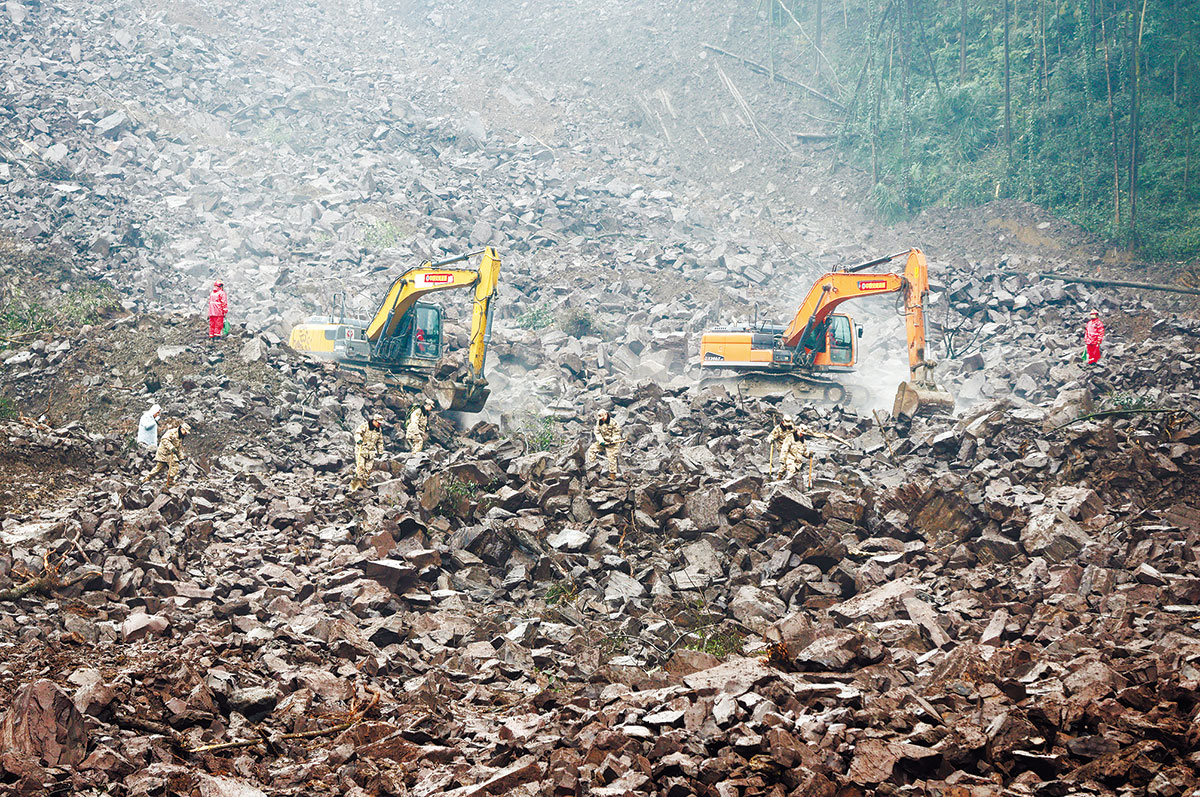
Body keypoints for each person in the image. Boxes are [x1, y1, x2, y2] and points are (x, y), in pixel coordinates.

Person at [142, 422, 190, 489]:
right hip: (164, 453)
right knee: (162, 467)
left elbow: (179, 448)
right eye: (185, 432)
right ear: (182, 429)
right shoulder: (172, 432)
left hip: (170, 454)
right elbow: (164, 440)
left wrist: (181, 458)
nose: (186, 434)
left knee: (168, 467)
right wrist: (171, 447)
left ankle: (169, 481)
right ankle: (147, 479)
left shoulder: (180, 437)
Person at [585, 409, 623, 479]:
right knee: (592, 449)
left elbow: (617, 433)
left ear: (606, 415)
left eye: (602, 417)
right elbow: (597, 432)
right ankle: (592, 468)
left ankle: (612, 475)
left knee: (612, 457)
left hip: (613, 443)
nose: (602, 419)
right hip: (603, 442)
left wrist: (612, 440)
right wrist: (601, 441)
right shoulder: (599, 422)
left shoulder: (613, 422)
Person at [352, 414, 385, 490]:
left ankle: (364, 481)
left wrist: (380, 451)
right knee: (361, 467)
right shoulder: (365, 426)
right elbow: (357, 433)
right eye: (378, 423)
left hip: (371, 452)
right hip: (361, 450)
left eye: (380, 423)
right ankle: (358, 482)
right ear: (374, 421)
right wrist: (358, 440)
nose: (379, 425)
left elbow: (380, 441)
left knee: (369, 468)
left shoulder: (378, 430)